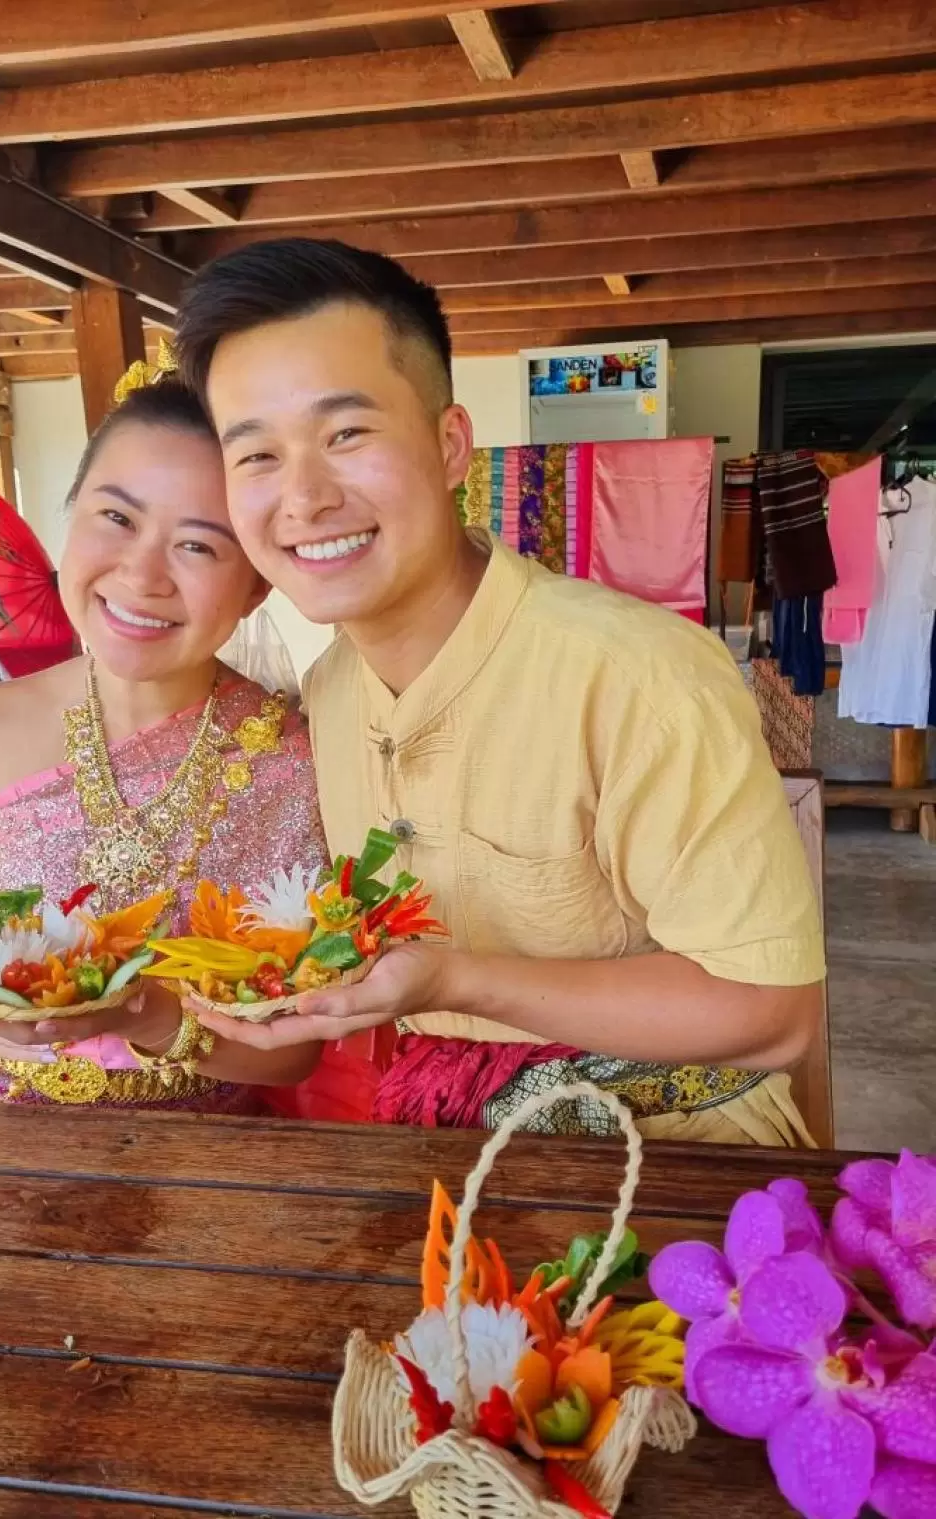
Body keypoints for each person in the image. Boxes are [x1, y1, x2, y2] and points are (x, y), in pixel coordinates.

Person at [171, 236, 827, 1145]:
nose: (305, 497)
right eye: (257, 456)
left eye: (346, 434)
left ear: (449, 446)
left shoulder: (639, 678)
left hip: (678, 1162)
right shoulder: (323, 697)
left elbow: (774, 1010)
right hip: (441, 1132)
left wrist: (453, 978)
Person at [0, 379, 325, 1109]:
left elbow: (295, 1051)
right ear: (69, 518)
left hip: (203, 1176)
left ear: (255, 585)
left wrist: (146, 1014)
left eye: (198, 545)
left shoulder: (289, 758)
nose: (142, 575)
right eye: (116, 516)